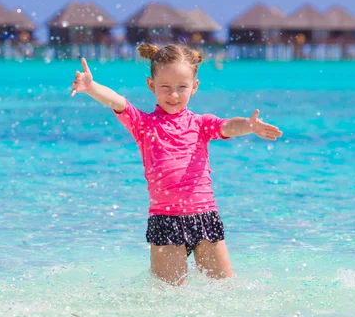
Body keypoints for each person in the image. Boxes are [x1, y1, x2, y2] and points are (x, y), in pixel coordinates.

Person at [70, 43, 283, 286]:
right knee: (168, 298)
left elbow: (226, 126)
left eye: (182, 87)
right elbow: (118, 103)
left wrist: (249, 125)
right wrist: (91, 87)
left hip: (205, 216)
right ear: (151, 85)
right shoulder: (144, 125)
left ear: (194, 87)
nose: (174, 95)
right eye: (165, 87)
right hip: (165, 221)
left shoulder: (201, 124)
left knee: (225, 289)